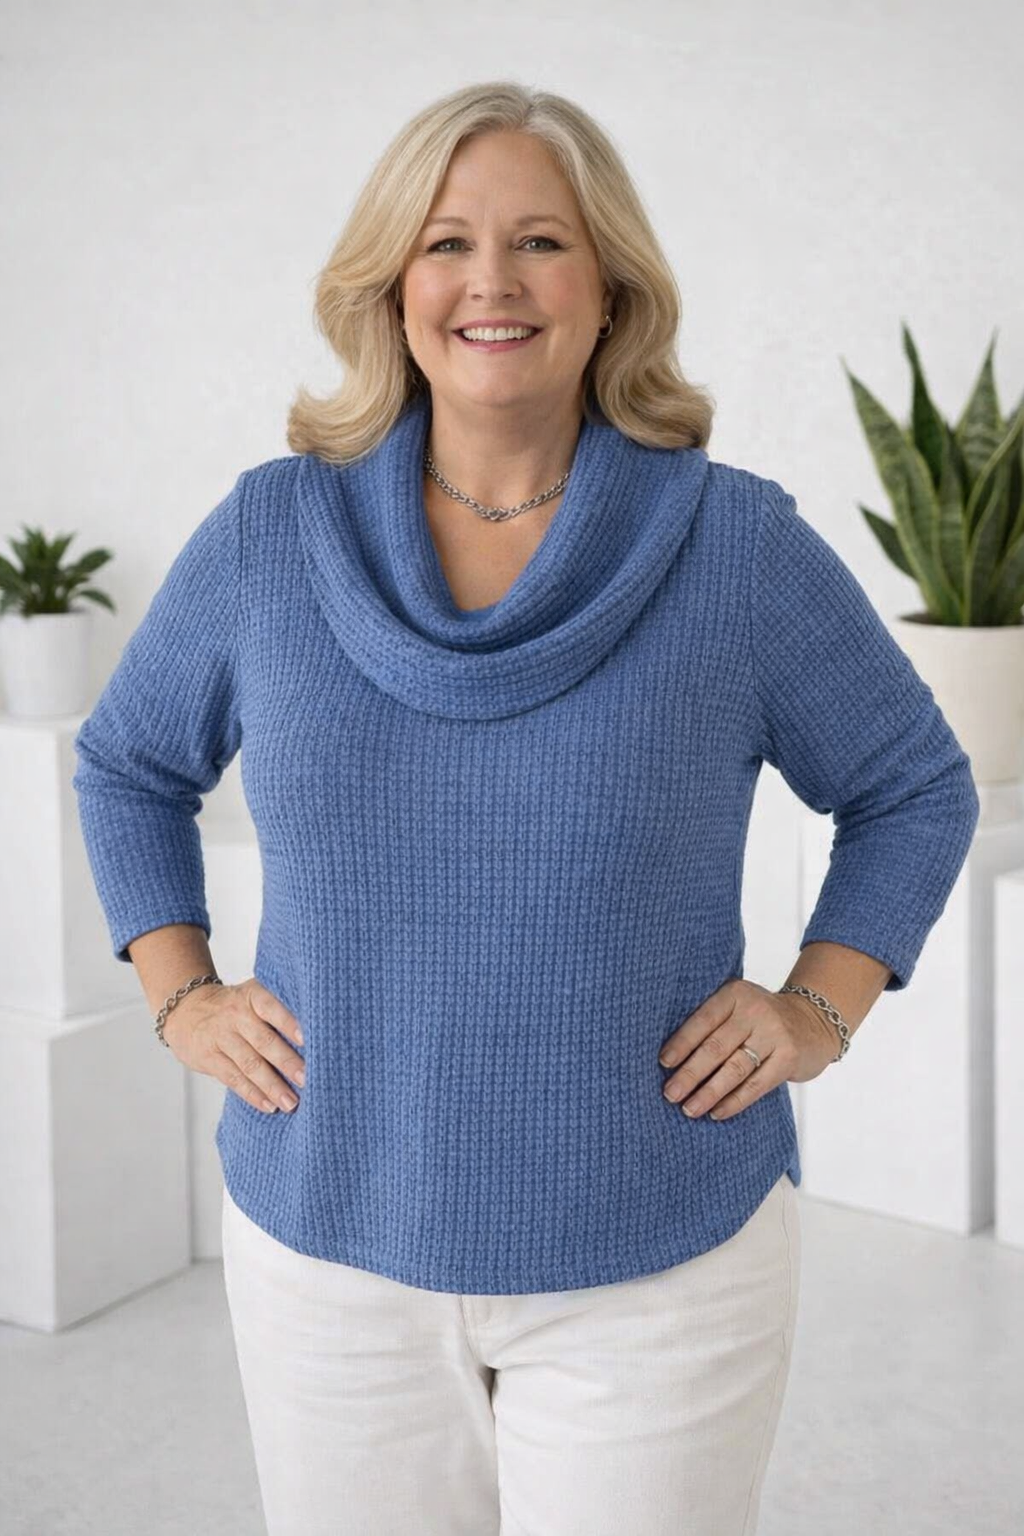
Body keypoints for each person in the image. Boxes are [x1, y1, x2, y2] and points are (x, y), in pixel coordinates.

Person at [72, 81, 980, 1536]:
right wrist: (181, 995)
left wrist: (819, 1006)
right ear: (393, 286)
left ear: (611, 285)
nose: (490, 281)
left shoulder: (734, 546)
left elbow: (913, 785)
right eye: (447, 243)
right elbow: (129, 764)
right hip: (330, 1251)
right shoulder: (270, 535)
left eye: (541, 242)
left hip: (660, 1262)